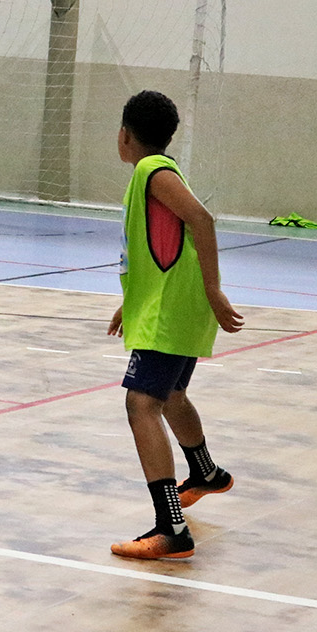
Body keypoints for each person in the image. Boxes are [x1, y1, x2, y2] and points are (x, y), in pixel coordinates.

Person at [106, 90, 244, 560]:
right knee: (171, 396)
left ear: (125, 135)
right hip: (172, 307)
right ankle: (205, 472)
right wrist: (132, 303)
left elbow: (201, 219)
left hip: (172, 311)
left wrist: (214, 289)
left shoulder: (152, 171)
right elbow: (161, 247)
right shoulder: (158, 170)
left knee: (140, 403)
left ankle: (171, 529)